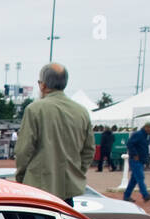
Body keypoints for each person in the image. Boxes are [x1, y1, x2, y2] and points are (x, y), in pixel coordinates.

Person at [14, 62, 94, 206]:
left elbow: (23, 150)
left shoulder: (35, 109)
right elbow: (88, 151)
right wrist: (75, 173)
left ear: (42, 85)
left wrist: (21, 177)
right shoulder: (81, 112)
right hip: (67, 190)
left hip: (38, 188)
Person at [123, 122, 150, 203]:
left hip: (141, 160)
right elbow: (130, 144)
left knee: (134, 180)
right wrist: (134, 154)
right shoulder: (138, 134)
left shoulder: (146, 136)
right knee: (140, 177)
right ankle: (145, 195)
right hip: (135, 160)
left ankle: (126, 196)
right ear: (146, 127)